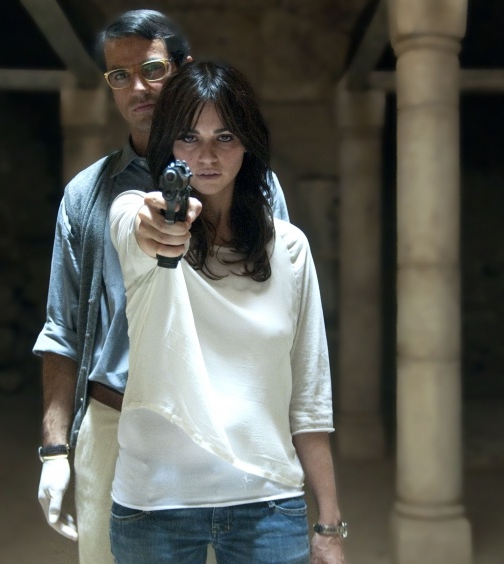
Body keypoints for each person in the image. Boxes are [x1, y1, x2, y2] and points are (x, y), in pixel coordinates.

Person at [32, 10, 290, 563]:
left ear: (181, 68)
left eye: (151, 69)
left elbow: (280, 311)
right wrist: (55, 449)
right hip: (116, 419)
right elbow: (63, 329)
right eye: (119, 76)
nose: (138, 89)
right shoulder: (87, 195)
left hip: (227, 424)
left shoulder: (255, 185)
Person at [107, 61, 346, 564]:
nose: (207, 156)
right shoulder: (136, 214)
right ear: (167, 144)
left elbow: (309, 394)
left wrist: (329, 524)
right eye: (188, 137)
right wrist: (161, 228)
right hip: (156, 502)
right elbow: (137, 225)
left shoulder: (290, 248)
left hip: (269, 500)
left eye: (225, 136)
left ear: (248, 143)